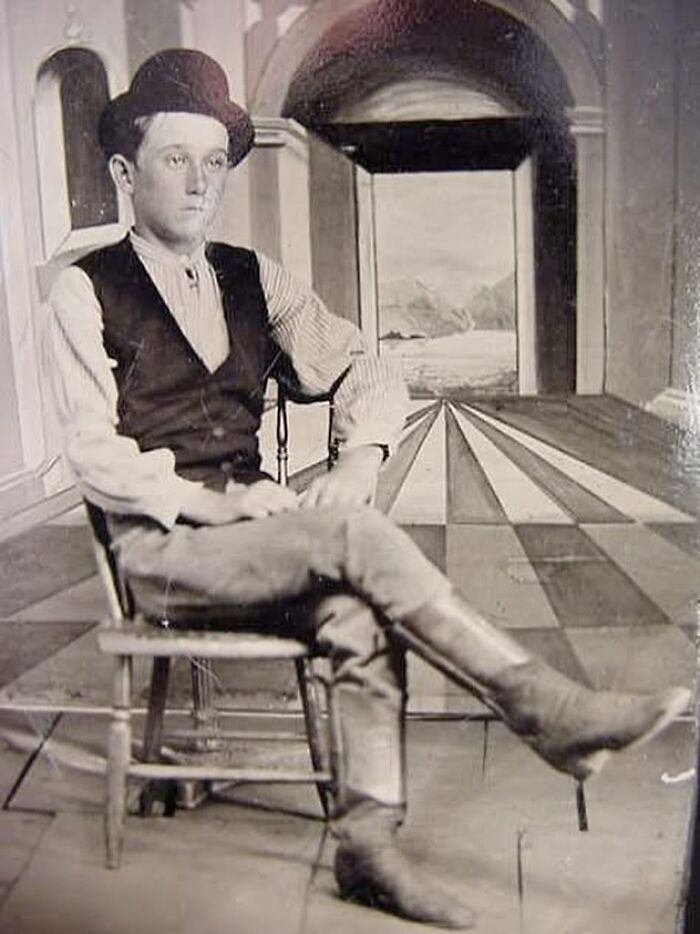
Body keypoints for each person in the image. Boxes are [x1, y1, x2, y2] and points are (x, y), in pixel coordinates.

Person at [48, 49, 690, 931]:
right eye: (174, 160)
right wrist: (222, 504)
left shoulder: (253, 277)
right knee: (350, 542)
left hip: (255, 541)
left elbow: (368, 367)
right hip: (160, 553)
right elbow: (92, 455)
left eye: (214, 164)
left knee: (358, 612)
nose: (200, 183)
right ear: (125, 171)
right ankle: (544, 705)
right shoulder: (82, 292)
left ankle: (368, 851)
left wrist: (357, 460)